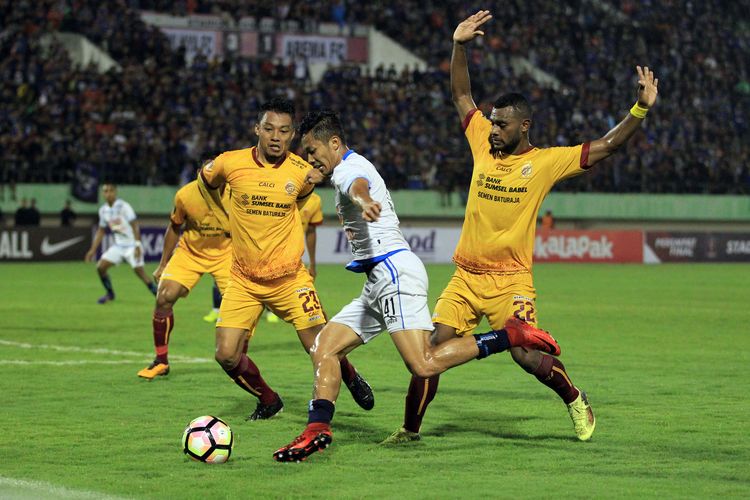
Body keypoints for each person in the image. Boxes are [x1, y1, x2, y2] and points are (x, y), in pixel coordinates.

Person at [382, 10, 659, 445]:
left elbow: (607, 146)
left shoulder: (545, 163)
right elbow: (460, 94)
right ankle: (409, 432)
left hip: (511, 279)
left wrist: (640, 108)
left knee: (526, 355)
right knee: (428, 354)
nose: (492, 129)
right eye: (491, 122)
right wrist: (458, 46)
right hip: (466, 275)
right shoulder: (481, 143)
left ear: (524, 126)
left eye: (502, 124)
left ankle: (574, 397)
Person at [273, 110, 560, 462]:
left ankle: (511, 336)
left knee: (424, 364)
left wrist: (364, 202)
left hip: (393, 273)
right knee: (323, 348)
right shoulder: (346, 165)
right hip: (378, 280)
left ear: (334, 143)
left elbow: (357, 187)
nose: (309, 157)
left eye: (312, 149)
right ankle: (317, 431)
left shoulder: (349, 169)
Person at [199, 97, 374, 420]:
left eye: (283, 131)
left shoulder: (303, 173)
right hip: (243, 280)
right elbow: (206, 181)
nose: (275, 137)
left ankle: (349, 376)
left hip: (289, 279)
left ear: (292, 135)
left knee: (320, 347)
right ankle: (268, 399)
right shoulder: (230, 163)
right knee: (225, 354)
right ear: (257, 129)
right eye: (269, 129)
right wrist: (223, 209)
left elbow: (305, 202)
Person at [137, 175, 233, 379]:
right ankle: (161, 361)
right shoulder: (185, 195)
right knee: (164, 296)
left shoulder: (238, 193)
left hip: (227, 253)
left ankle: (237, 360)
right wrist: (163, 264)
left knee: (239, 306)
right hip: (190, 253)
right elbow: (174, 227)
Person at [84, 183, 158, 303]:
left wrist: (138, 245)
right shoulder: (103, 211)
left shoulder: (124, 206)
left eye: (111, 190)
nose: (108, 193)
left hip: (132, 245)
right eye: (105, 191)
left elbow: (135, 226)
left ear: (115, 192)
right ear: (103, 193)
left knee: (140, 273)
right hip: (119, 246)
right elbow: (101, 231)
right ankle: (110, 294)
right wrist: (92, 250)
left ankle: (159, 296)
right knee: (101, 267)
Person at [266, 191, 323, 323]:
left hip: (294, 256)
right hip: (267, 251)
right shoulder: (278, 192)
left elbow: (311, 231)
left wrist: (313, 264)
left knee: (312, 305)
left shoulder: (314, 200)